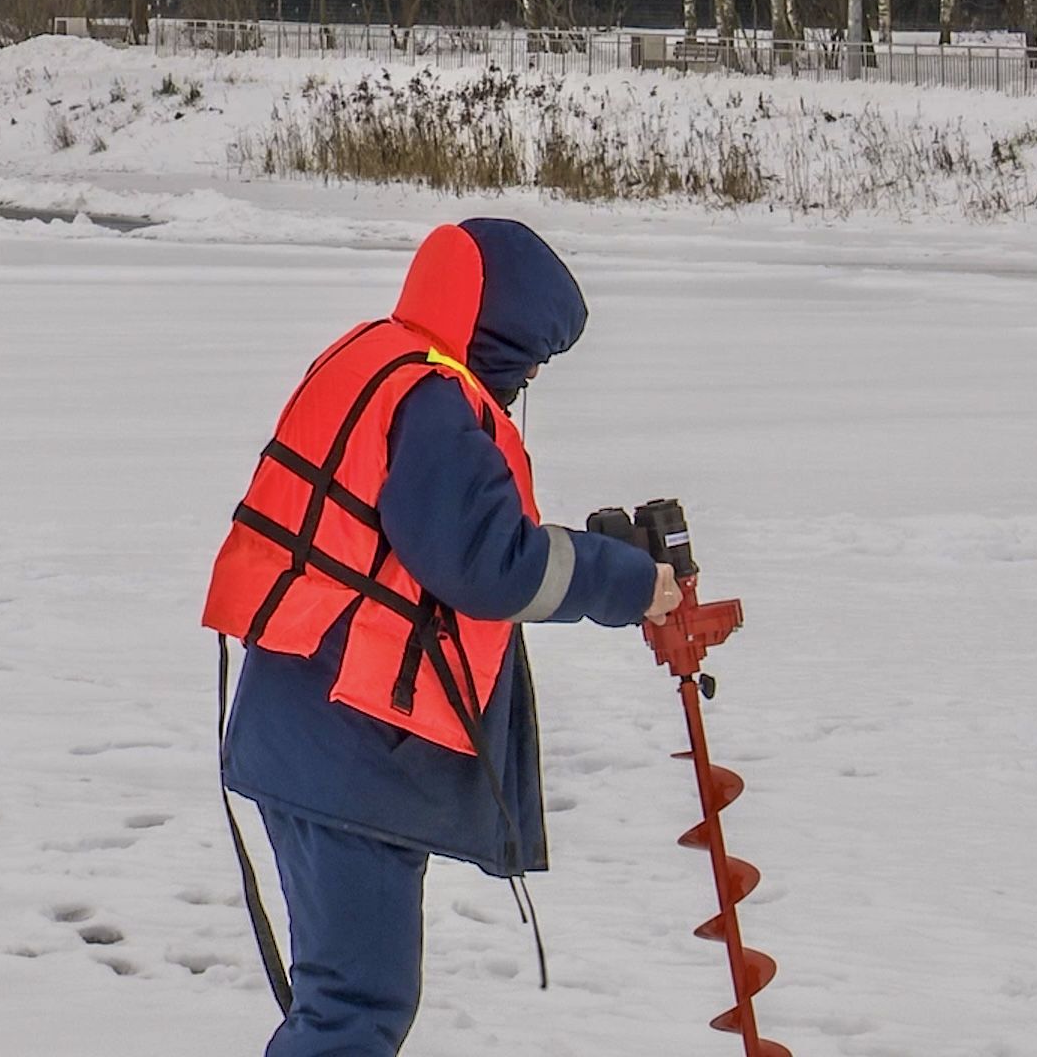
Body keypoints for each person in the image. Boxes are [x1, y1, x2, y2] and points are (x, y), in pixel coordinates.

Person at [201, 218, 681, 1056]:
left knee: (342, 999)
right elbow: (488, 567)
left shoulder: (374, 360)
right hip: (350, 751)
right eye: (532, 352)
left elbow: (426, 544)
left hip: (307, 729)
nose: (530, 375)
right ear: (498, 326)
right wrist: (631, 583)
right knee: (356, 1008)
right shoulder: (437, 405)